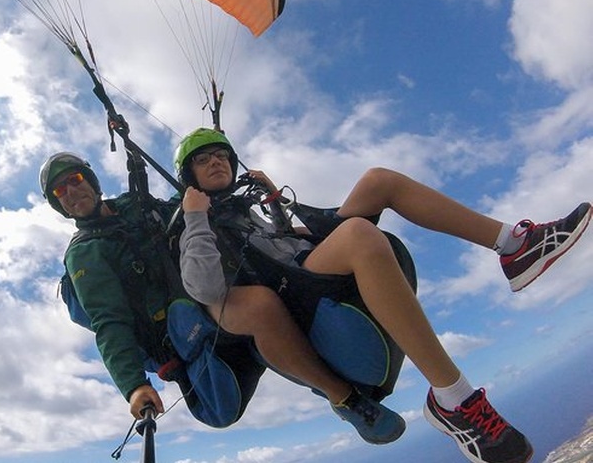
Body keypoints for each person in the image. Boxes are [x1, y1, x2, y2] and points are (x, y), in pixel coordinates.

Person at [174, 127, 591, 463]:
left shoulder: (244, 213)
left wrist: (276, 204)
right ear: (189, 176)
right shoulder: (194, 227)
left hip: (307, 267)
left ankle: (515, 247)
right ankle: (454, 401)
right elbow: (206, 288)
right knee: (358, 234)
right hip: (297, 294)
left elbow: (287, 241)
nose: (216, 161)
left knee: (378, 180)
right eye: (203, 159)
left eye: (222, 155)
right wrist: (194, 216)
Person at [40, 151, 406, 444]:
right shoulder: (84, 254)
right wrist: (134, 386)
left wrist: (226, 187)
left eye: (73, 181)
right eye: (60, 192)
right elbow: (109, 323)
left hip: (201, 283)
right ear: (58, 204)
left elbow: (184, 209)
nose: (71, 192)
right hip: (179, 324)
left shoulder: (134, 205)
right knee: (259, 305)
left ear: (89, 180)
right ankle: (345, 398)